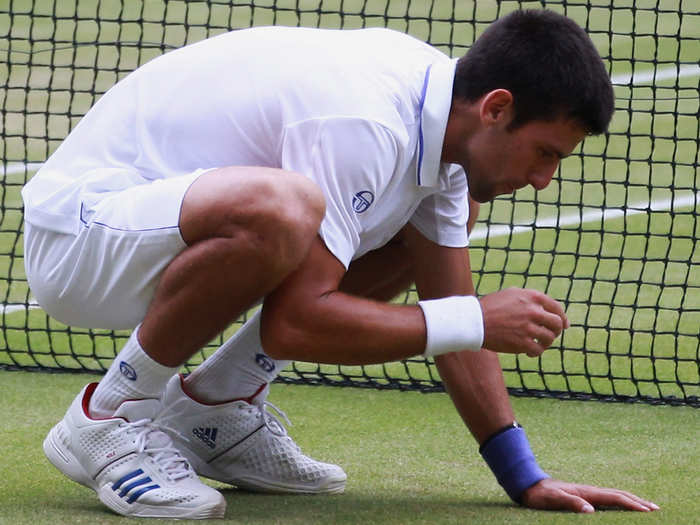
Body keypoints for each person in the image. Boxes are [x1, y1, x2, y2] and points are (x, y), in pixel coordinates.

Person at [23, 9, 659, 519]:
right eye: (543, 153)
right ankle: (107, 417)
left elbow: (453, 311)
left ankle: (213, 410)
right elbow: (300, 324)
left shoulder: (443, 137)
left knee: (421, 230)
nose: (544, 180)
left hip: (168, 232)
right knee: (282, 208)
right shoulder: (367, 119)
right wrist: (474, 319)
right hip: (84, 237)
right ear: (496, 108)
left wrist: (525, 478)